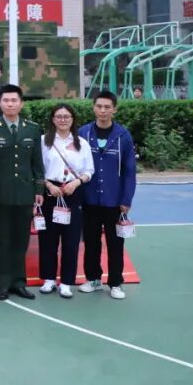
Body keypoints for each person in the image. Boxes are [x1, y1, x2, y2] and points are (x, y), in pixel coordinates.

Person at [0, 84, 44, 300]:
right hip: (0, 192)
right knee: (2, 239)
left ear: (21, 103)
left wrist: (39, 188)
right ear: (0, 103)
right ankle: (3, 283)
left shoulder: (32, 128)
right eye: (6, 100)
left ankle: (19, 282)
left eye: (14, 100)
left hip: (25, 192)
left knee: (21, 240)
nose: (10, 104)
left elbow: (37, 162)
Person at [78, 91, 136, 300]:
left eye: (107, 107)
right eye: (99, 106)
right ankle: (93, 279)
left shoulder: (123, 136)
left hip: (114, 201)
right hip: (89, 199)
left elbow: (129, 171)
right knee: (91, 242)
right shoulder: (83, 133)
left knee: (115, 244)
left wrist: (126, 199)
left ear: (114, 109)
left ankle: (115, 283)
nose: (102, 111)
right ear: (93, 108)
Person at [38, 104, 94, 299]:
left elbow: (89, 170)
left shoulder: (82, 143)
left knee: (71, 240)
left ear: (72, 119)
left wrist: (76, 182)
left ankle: (66, 282)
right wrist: (48, 185)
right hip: (51, 193)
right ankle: (48, 279)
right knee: (48, 238)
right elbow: (37, 168)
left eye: (66, 116)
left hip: (73, 191)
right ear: (53, 119)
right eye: (59, 116)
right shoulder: (43, 141)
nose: (62, 120)